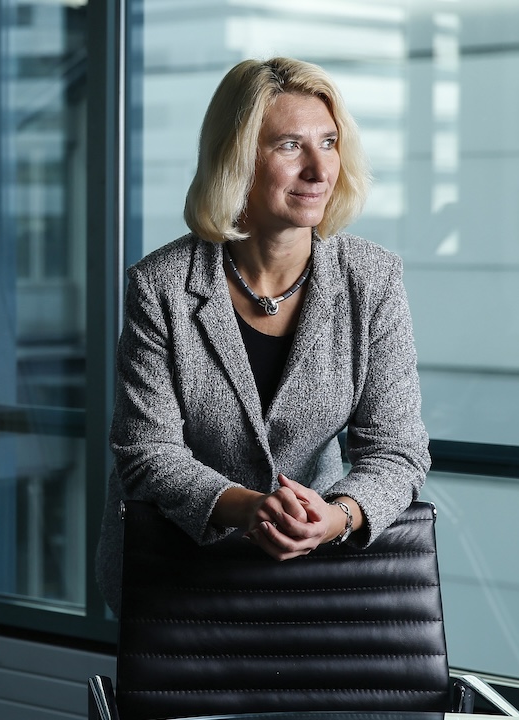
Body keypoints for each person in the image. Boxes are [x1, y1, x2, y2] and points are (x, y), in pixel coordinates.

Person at [96, 57, 430, 614]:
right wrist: (249, 508)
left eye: (329, 143)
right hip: (177, 577)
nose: (319, 170)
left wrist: (337, 516)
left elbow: (397, 449)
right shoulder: (161, 285)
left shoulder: (372, 279)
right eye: (290, 146)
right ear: (237, 159)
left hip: (314, 570)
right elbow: (145, 451)